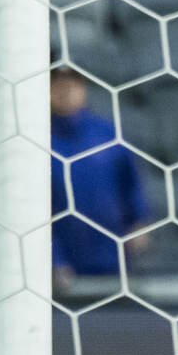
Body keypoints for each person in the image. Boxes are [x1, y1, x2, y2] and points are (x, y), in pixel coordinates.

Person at [51, 65, 151, 285]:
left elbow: (131, 183)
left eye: (73, 84)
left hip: (111, 259)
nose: (65, 90)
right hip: (60, 268)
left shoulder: (107, 134)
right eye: (58, 84)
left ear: (83, 88)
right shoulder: (38, 139)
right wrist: (53, 259)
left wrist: (138, 222)